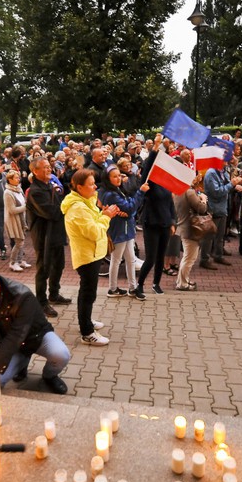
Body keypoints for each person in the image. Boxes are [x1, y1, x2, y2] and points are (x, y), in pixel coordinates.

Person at [0, 270, 70, 393]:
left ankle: (49, 376)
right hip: (13, 345)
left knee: (61, 354)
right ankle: (21, 364)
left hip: (36, 337)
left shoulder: (23, 297)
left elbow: (16, 336)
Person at [61, 169, 119, 345]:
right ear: (79, 187)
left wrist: (103, 214)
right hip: (87, 257)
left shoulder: (86, 201)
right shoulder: (78, 208)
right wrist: (106, 217)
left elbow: (94, 223)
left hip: (93, 254)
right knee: (87, 293)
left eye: (95, 183)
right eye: (91, 184)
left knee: (88, 293)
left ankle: (86, 321)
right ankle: (87, 332)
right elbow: (93, 232)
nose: (95, 187)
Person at [27, 158, 71, 317]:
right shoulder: (35, 191)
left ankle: (54, 294)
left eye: (48, 167)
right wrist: (67, 205)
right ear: (35, 171)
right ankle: (41, 301)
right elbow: (52, 212)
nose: (48, 169)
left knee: (58, 265)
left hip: (57, 233)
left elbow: (59, 205)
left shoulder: (49, 186)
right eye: (44, 167)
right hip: (43, 236)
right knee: (43, 269)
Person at [99, 162, 149, 300]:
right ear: (107, 179)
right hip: (119, 230)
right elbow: (131, 207)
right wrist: (141, 192)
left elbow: (129, 209)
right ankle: (113, 288)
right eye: (114, 177)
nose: (118, 179)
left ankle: (132, 288)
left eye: (119, 176)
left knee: (130, 260)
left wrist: (129, 212)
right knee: (116, 260)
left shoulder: (117, 190)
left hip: (126, 229)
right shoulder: (111, 194)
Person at [136, 135, 176, 297]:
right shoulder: (149, 183)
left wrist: (173, 222)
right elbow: (147, 169)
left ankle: (156, 284)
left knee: (161, 257)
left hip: (165, 224)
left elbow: (170, 204)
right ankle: (140, 285)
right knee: (151, 258)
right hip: (151, 223)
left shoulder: (166, 183)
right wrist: (155, 148)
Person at [173, 174, 209, 290]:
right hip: (191, 228)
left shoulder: (178, 191)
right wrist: (203, 200)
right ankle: (182, 284)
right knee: (189, 258)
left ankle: (182, 280)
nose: (196, 179)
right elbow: (201, 209)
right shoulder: (189, 192)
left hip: (184, 226)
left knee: (188, 256)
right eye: (193, 177)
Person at [3, 170, 30, 272]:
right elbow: (12, 210)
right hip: (14, 221)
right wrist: (26, 207)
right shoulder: (7, 193)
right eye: (16, 178)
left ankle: (20, 260)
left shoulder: (19, 189)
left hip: (21, 219)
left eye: (19, 177)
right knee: (19, 242)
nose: (18, 179)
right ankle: (13, 262)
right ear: (10, 180)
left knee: (21, 241)